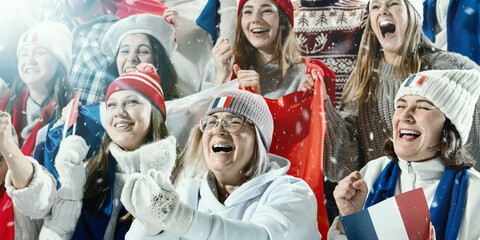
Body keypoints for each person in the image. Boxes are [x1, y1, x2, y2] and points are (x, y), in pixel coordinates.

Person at [303, 0, 480, 181]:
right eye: (376, 7)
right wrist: (322, 106)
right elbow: (343, 166)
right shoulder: (362, 79)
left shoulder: (453, 69)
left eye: (393, 3)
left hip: (448, 197)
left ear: (413, 13)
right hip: (384, 201)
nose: (383, 11)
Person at [121, 90, 321, 239]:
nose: (218, 130)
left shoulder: (292, 193)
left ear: (258, 140)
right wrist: (147, 229)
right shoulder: (189, 191)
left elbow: (263, 236)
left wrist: (181, 219)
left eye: (234, 122)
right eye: (211, 122)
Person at [328, 69, 480, 240]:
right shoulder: (371, 174)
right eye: (400, 106)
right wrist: (348, 218)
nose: (405, 115)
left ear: (450, 127)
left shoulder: (475, 194)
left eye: (422, 107)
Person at [212, 0, 329, 99]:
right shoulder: (225, 69)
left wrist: (321, 102)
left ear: (283, 19)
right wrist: (222, 81)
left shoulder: (309, 75)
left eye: (267, 11)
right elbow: (207, 124)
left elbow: (331, 125)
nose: (255, 19)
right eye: (247, 11)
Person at [0, 22, 73, 156]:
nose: (30, 60)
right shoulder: (5, 103)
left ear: (60, 62)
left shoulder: (70, 114)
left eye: (40, 52)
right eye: (24, 54)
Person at [102, 13, 179, 100]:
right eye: (125, 51)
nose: (131, 58)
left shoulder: (175, 109)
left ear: (159, 62)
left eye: (143, 52)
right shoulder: (102, 110)